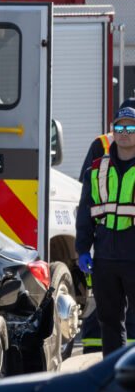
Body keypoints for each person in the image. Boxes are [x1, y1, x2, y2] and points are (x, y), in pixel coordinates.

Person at [76, 105, 135, 356]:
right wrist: (81, 249)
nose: (124, 132)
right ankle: (113, 377)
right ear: (113, 130)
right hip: (105, 258)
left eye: (130, 127)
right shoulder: (98, 168)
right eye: (119, 127)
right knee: (109, 323)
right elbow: (85, 212)